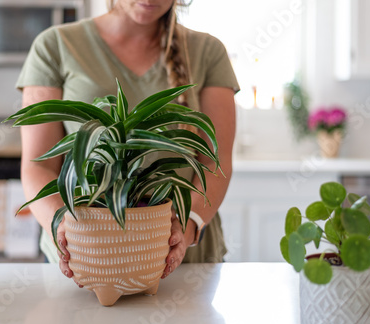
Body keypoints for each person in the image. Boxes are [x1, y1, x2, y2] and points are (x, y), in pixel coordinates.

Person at [16, 0, 239, 283]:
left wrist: (187, 225)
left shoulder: (208, 51)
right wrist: (61, 225)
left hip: (183, 255)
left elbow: (214, 162)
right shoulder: (55, 45)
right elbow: (39, 165)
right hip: (83, 253)